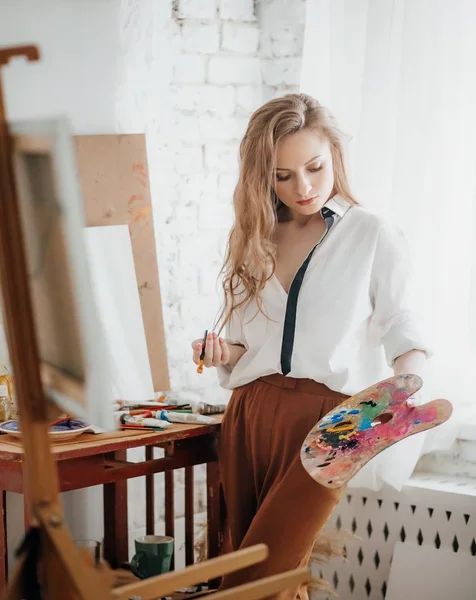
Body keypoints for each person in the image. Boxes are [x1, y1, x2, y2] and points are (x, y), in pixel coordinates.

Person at [191, 93, 431, 600]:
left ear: (334, 158)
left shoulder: (371, 234)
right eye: (282, 175)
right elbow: (243, 345)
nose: (302, 187)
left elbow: (401, 322)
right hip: (250, 413)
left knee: (262, 578)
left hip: (326, 422)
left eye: (314, 167)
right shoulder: (253, 237)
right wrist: (219, 352)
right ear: (264, 177)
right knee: (246, 564)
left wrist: (405, 384)